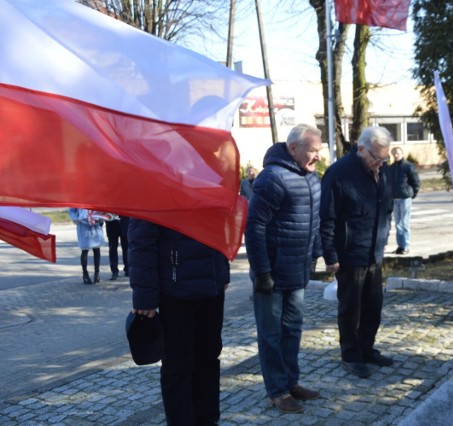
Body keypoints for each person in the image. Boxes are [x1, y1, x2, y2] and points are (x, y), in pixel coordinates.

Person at [244, 124, 323, 414]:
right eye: (312, 150)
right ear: (293, 148)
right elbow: (254, 228)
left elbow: (314, 220)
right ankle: (277, 391)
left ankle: (291, 382)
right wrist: (262, 272)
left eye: (319, 150)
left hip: (298, 270)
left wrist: (316, 255)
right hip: (272, 275)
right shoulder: (271, 178)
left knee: (292, 330)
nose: (317, 156)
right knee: (271, 335)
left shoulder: (312, 178)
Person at [128, 219, 230, 425]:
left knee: (209, 358)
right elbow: (141, 241)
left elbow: (219, 226)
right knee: (178, 365)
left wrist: (222, 271)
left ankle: (208, 420)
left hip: (211, 285)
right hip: (175, 292)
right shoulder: (154, 186)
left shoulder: (211, 184)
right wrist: (145, 298)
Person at [320, 126, 395, 379]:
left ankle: (366, 348)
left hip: (374, 251)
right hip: (349, 253)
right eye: (376, 157)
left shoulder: (380, 170)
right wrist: (330, 256)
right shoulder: (339, 173)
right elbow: (327, 217)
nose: (379, 163)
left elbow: (387, 206)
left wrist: (384, 237)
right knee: (351, 308)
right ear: (361, 148)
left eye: (384, 159)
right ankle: (350, 355)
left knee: (373, 305)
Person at [389, 147, 420, 255]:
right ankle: (400, 246)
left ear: (402, 153)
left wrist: (412, 194)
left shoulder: (408, 166)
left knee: (405, 223)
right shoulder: (391, 168)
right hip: (395, 198)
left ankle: (406, 246)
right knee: (398, 224)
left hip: (405, 198)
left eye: (397, 153)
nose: (395, 155)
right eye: (394, 154)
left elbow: (415, 181)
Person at [68, 208, 105, 285]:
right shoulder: (78, 197)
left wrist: (102, 217)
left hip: (95, 224)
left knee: (97, 249)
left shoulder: (95, 196)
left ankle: (97, 274)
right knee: (85, 250)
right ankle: (85, 274)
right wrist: (76, 218)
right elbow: (71, 210)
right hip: (83, 225)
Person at [105, 215, 129, 280]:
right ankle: (114, 270)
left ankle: (127, 269)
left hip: (124, 221)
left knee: (126, 248)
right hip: (111, 223)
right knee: (113, 248)